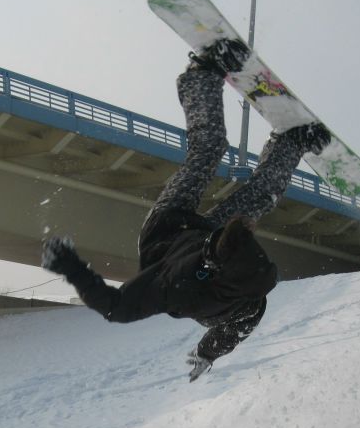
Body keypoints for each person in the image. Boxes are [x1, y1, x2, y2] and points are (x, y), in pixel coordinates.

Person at [41, 39, 331, 381]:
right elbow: (229, 336)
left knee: (208, 151)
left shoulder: (173, 287)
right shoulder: (254, 298)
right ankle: (291, 143)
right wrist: (207, 354)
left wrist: (70, 266)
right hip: (201, 242)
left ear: (212, 264)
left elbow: (115, 308)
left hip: (164, 231)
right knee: (258, 199)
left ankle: (201, 74)